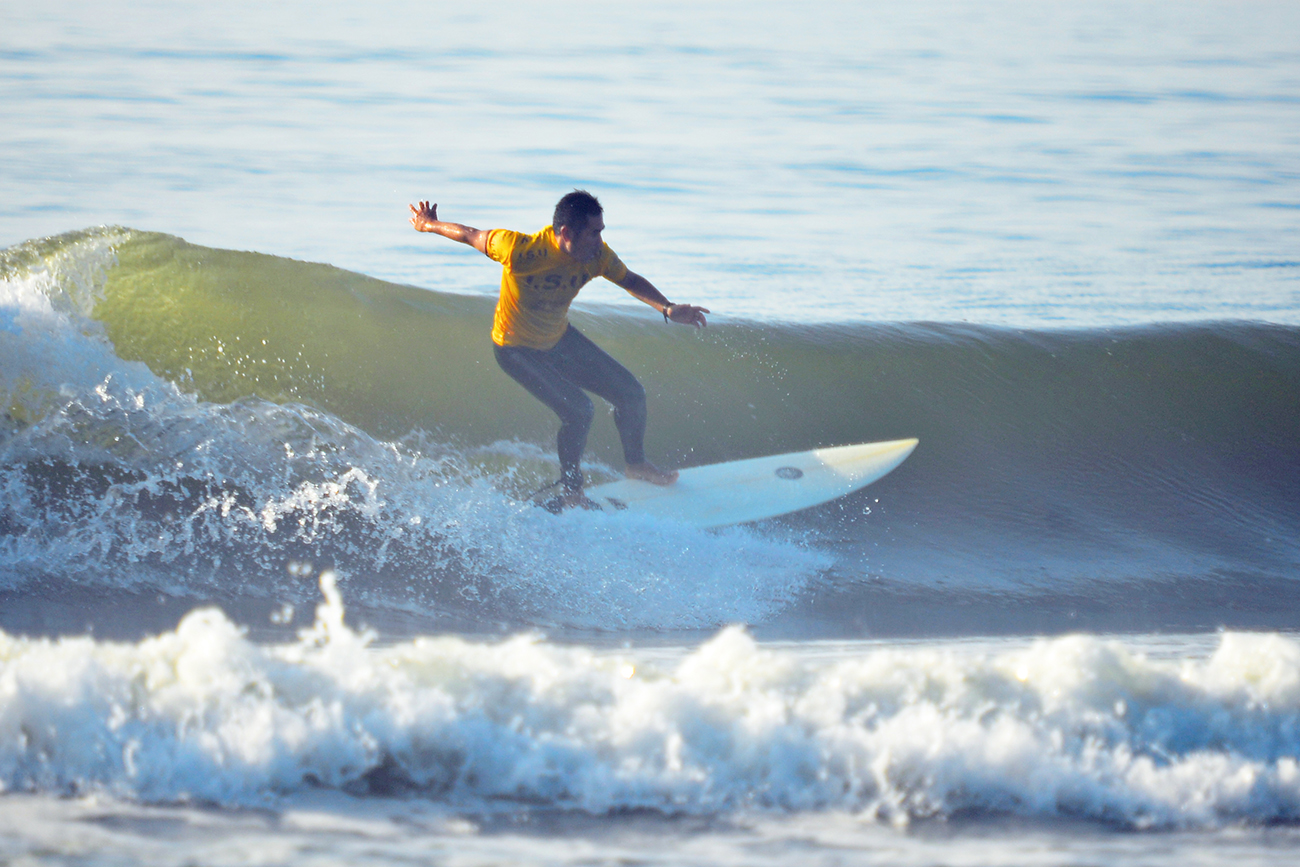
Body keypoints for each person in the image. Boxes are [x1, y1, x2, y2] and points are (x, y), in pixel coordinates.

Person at [409, 190, 709, 508]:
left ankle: (636, 465)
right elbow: (470, 235)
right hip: (515, 348)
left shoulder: (598, 257)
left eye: (601, 232)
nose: (599, 241)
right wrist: (429, 225)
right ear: (566, 233)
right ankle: (571, 492)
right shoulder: (519, 249)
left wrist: (667, 308)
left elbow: (629, 279)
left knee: (631, 393)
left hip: (557, 339)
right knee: (579, 410)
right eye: (593, 233)